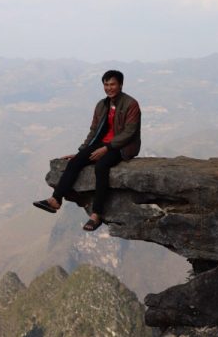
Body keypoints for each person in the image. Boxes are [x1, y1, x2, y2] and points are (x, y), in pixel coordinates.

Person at [33, 70, 141, 231]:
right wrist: (82, 151)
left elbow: (129, 132)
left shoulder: (131, 104)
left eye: (112, 84)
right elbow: (94, 130)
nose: (109, 88)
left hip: (122, 146)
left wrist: (107, 148)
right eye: (106, 84)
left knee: (101, 167)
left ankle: (96, 214)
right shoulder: (102, 105)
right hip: (102, 143)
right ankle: (55, 200)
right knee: (75, 162)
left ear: (120, 85)